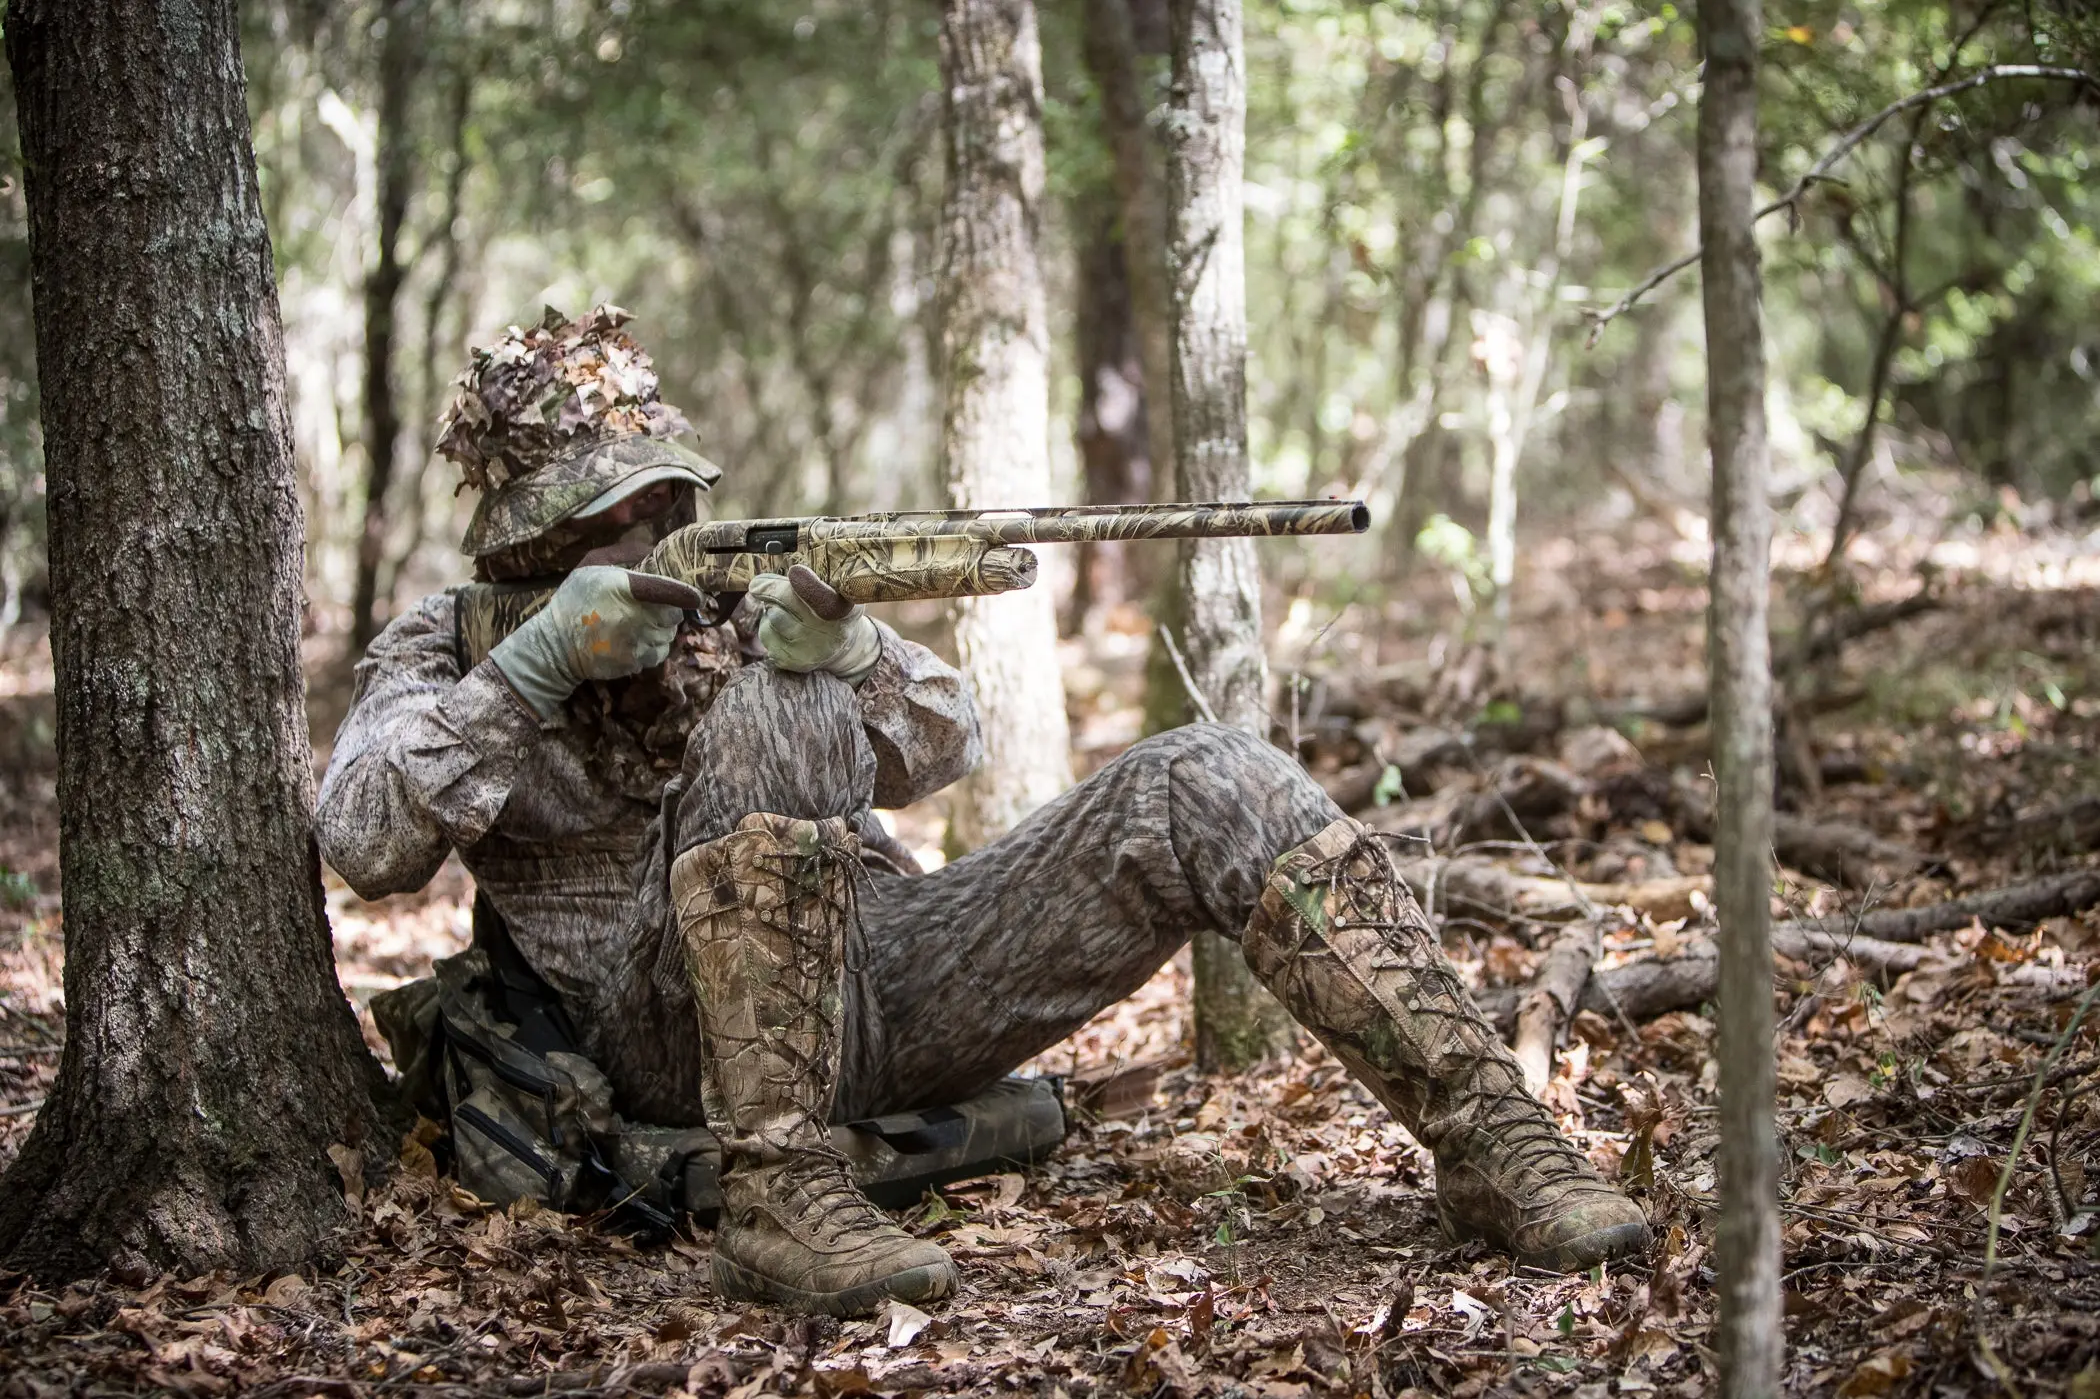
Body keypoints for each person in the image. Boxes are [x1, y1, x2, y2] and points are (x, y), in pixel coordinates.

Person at [318, 306, 1648, 1319]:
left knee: (1204, 772)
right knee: (766, 711)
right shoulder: (447, 645)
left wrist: (852, 650)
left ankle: (1498, 1141)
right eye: (616, 516)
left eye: (670, 504)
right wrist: (532, 670)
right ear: (530, 546)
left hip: (894, 981)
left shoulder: (736, 606)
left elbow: (944, 748)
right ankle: (780, 1198)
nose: (654, 532)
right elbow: (368, 839)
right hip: (661, 1043)